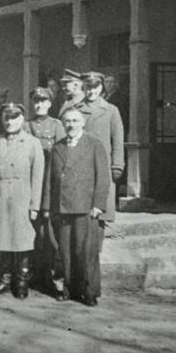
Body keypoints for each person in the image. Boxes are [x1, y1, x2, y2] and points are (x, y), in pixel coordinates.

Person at [42, 108, 110, 307]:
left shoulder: (94, 145)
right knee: (65, 252)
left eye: (74, 121)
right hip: (62, 207)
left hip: (85, 207)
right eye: (67, 122)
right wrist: (47, 206)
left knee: (86, 252)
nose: (71, 125)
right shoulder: (57, 148)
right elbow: (49, 181)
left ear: (82, 123)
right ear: (63, 125)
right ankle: (69, 288)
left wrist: (98, 204)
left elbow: (103, 178)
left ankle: (90, 291)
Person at [0, 103, 45, 299]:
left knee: (22, 238)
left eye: (14, 118)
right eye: (6, 118)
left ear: (22, 119)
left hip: (21, 196)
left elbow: (38, 177)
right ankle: (5, 278)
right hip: (0, 195)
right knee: (2, 237)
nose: (10, 122)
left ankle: (22, 279)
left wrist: (35, 205)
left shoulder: (32, 143)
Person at [24, 87, 66, 289]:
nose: (39, 105)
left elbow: (61, 157)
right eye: (36, 101)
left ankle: (50, 274)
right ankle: (32, 271)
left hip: (49, 184)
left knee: (49, 232)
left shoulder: (57, 126)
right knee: (31, 230)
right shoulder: (26, 126)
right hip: (31, 183)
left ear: (50, 104)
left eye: (43, 101)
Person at [75, 71, 125, 226]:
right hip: (81, 163)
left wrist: (117, 165)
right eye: (88, 87)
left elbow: (117, 139)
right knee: (81, 210)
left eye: (95, 87)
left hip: (103, 164)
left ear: (101, 88)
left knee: (101, 210)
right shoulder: (76, 109)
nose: (91, 91)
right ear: (84, 88)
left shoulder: (111, 110)